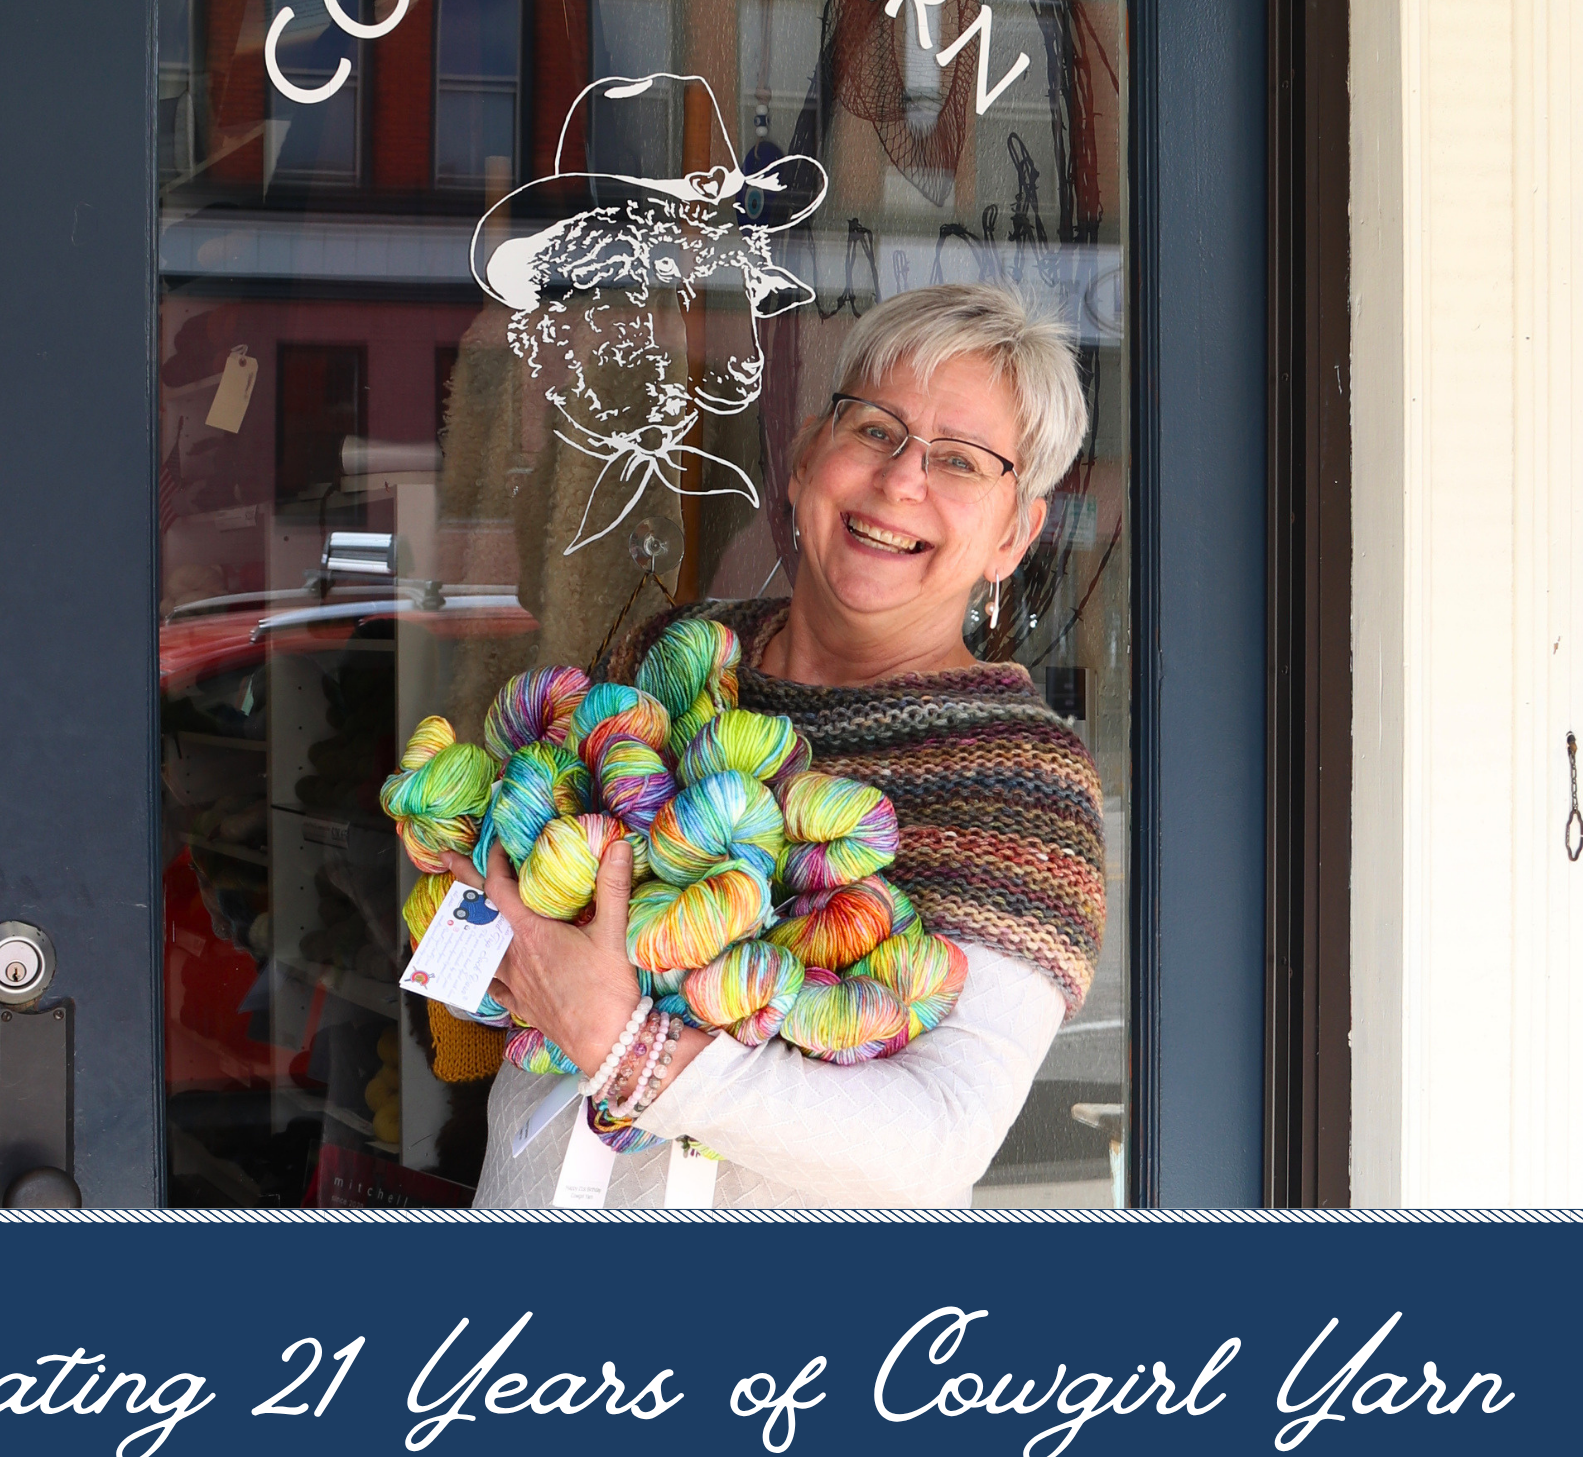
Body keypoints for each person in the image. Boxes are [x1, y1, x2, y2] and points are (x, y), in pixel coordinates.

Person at [453, 283, 1108, 1208]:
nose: (901, 480)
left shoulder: (1017, 786)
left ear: (1015, 534)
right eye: (875, 429)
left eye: (961, 461)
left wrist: (625, 1042)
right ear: (806, 456)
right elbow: (514, 933)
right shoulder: (670, 661)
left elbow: (934, 1143)